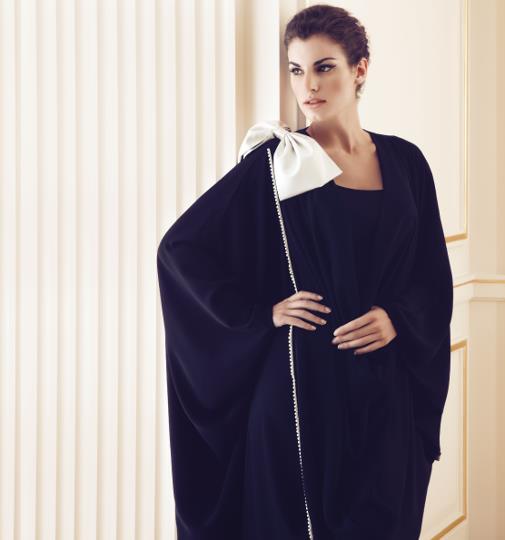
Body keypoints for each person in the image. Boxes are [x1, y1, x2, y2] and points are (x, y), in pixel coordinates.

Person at [156, 4, 454, 538]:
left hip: (385, 394)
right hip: (300, 391)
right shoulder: (280, 162)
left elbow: (430, 272)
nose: (308, 85)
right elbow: (180, 250)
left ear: (359, 69)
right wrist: (261, 312)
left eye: (323, 67)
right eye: (296, 70)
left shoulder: (406, 162)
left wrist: (397, 318)